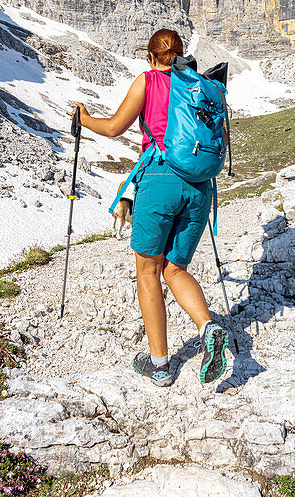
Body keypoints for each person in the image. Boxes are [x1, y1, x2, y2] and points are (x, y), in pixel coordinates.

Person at [75, 29, 229, 387]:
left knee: (148, 271)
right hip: (200, 188)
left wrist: (83, 118)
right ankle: (207, 328)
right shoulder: (203, 87)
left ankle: (160, 366)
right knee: (175, 269)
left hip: (159, 180)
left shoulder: (149, 81)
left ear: (151, 57)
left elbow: (114, 127)